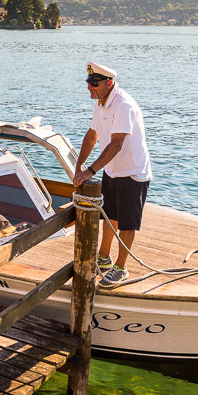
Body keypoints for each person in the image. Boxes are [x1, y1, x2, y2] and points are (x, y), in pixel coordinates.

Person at [72, 62, 152, 288]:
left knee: (127, 224)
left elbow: (116, 145)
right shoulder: (101, 103)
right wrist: (79, 167)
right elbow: (91, 136)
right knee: (110, 217)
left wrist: (90, 171)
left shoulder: (123, 105)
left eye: (94, 84)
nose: (90, 88)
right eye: (88, 84)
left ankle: (121, 267)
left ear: (109, 83)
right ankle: (104, 258)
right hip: (112, 171)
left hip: (132, 173)